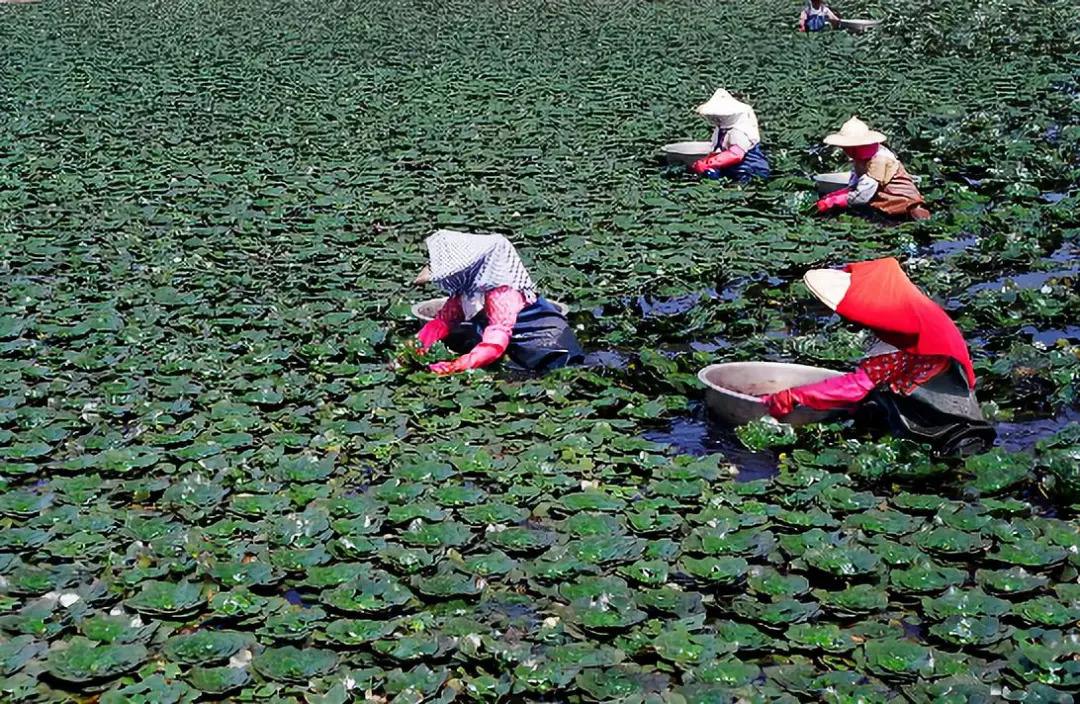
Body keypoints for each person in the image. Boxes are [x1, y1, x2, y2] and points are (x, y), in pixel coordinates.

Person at [761, 258, 996, 455]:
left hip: (935, 400)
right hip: (939, 375)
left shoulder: (896, 344)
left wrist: (794, 396)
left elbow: (854, 387)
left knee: (942, 431)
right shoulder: (920, 312)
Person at [413, 230, 584, 375]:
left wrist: (456, 366)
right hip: (513, 344)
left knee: (542, 374)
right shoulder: (469, 292)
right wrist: (417, 347)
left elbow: (495, 343)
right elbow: (443, 321)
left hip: (547, 346)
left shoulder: (502, 295)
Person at [816, 117, 931, 221]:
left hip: (904, 201)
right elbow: (856, 177)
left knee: (915, 218)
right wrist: (845, 190)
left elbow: (863, 194)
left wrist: (839, 200)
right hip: (883, 198)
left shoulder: (879, 160)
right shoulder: (862, 157)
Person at [689, 89, 771, 182]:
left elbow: (735, 154)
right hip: (730, 167)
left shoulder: (739, 132)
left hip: (749, 168)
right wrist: (704, 161)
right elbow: (718, 150)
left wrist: (710, 163)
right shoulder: (721, 131)